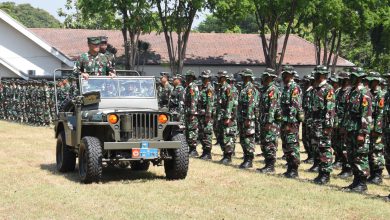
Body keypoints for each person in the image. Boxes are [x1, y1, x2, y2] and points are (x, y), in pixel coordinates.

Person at [343, 68, 372, 192]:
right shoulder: (351, 92)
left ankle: (362, 183)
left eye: (354, 76)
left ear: (359, 78)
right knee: (351, 155)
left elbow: (366, 115)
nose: (351, 79)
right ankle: (356, 181)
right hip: (350, 129)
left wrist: (362, 132)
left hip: (359, 130)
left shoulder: (364, 93)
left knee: (360, 156)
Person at [310, 66, 335, 185]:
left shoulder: (328, 88)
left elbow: (330, 109)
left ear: (322, 75)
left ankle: (326, 174)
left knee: (325, 148)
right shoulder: (316, 88)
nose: (315, 76)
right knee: (318, 148)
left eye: (317, 74)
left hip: (324, 125)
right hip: (316, 123)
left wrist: (328, 126)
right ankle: (321, 172)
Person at [280, 65, 304, 178]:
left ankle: (294, 169)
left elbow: (295, 106)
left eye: (285, 74)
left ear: (290, 75)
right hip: (285, 121)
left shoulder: (294, 88)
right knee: (286, 145)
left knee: (292, 144)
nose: (283, 76)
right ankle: (289, 167)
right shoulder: (286, 88)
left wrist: (290, 123)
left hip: (291, 122)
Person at [257, 68, 281, 173]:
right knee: (264, 142)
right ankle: (267, 164)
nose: (264, 78)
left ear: (270, 77)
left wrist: (269, 122)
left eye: (266, 76)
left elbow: (273, 107)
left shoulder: (272, 90)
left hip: (270, 122)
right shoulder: (265, 89)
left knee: (270, 142)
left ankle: (271, 166)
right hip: (264, 120)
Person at [366, 72, 385, 184]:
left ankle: (378, 175)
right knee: (370, 150)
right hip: (369, 125)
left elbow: (380, 113)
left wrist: (377, 129)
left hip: (376, 128)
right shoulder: (370, 94)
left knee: (377, 150)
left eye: (371, 81)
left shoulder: (380, 95)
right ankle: (372, 173)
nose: (369, 82)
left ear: (376, 82)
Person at [238, 69, 258, 169]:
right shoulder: (243, 88)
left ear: (248, 77)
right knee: (243, 139)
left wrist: (248, 118)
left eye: (244, 76)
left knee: (248, 139)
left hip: (247, 119)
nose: (242, 78)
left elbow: (251, 104)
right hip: (242, 118)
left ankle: (249, 160)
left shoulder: (250, 89)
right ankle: (246, 158)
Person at [334, 71, 353, 178]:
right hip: (337, 124)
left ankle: (348, 168)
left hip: (345, 124)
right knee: (338, 146)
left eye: (341, 79)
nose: (339, 81)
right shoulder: (338, 92)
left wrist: (345, 126)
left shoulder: (349, 92)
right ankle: (343, 166)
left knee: (345, 147)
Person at [217, 71, 235, 164]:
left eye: (220, 77)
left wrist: (228, 116)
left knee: (227, 136)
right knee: (221, 136)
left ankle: (228, 156)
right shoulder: (221, 88)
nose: (218, 79)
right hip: (221, 116)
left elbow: (230, 102)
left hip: (226, 116)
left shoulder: (228, 88)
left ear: (223, 78)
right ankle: (225, 154)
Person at [197, 70, 215, 160]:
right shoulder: (202, 88)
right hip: (201, 114)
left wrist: (208, 115)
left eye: (205, 78)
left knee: (207, 133)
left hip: (206, 115)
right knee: (201, 133)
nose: (203, 79)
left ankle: (208, 153)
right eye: (203, 78)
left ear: (208, 78)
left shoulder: (209, 88)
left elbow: (210, 103)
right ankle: (204, 151)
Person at [184, 70, 200, 157]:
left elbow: (194, 101)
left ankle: (193, 150)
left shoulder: (193, 87)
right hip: (188, 112)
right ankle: (191, 148)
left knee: (192, 131)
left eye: (187, 77)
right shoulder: (188, 87)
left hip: (191, 113)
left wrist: (193, 113)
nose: (186, 78)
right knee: (188, 131)